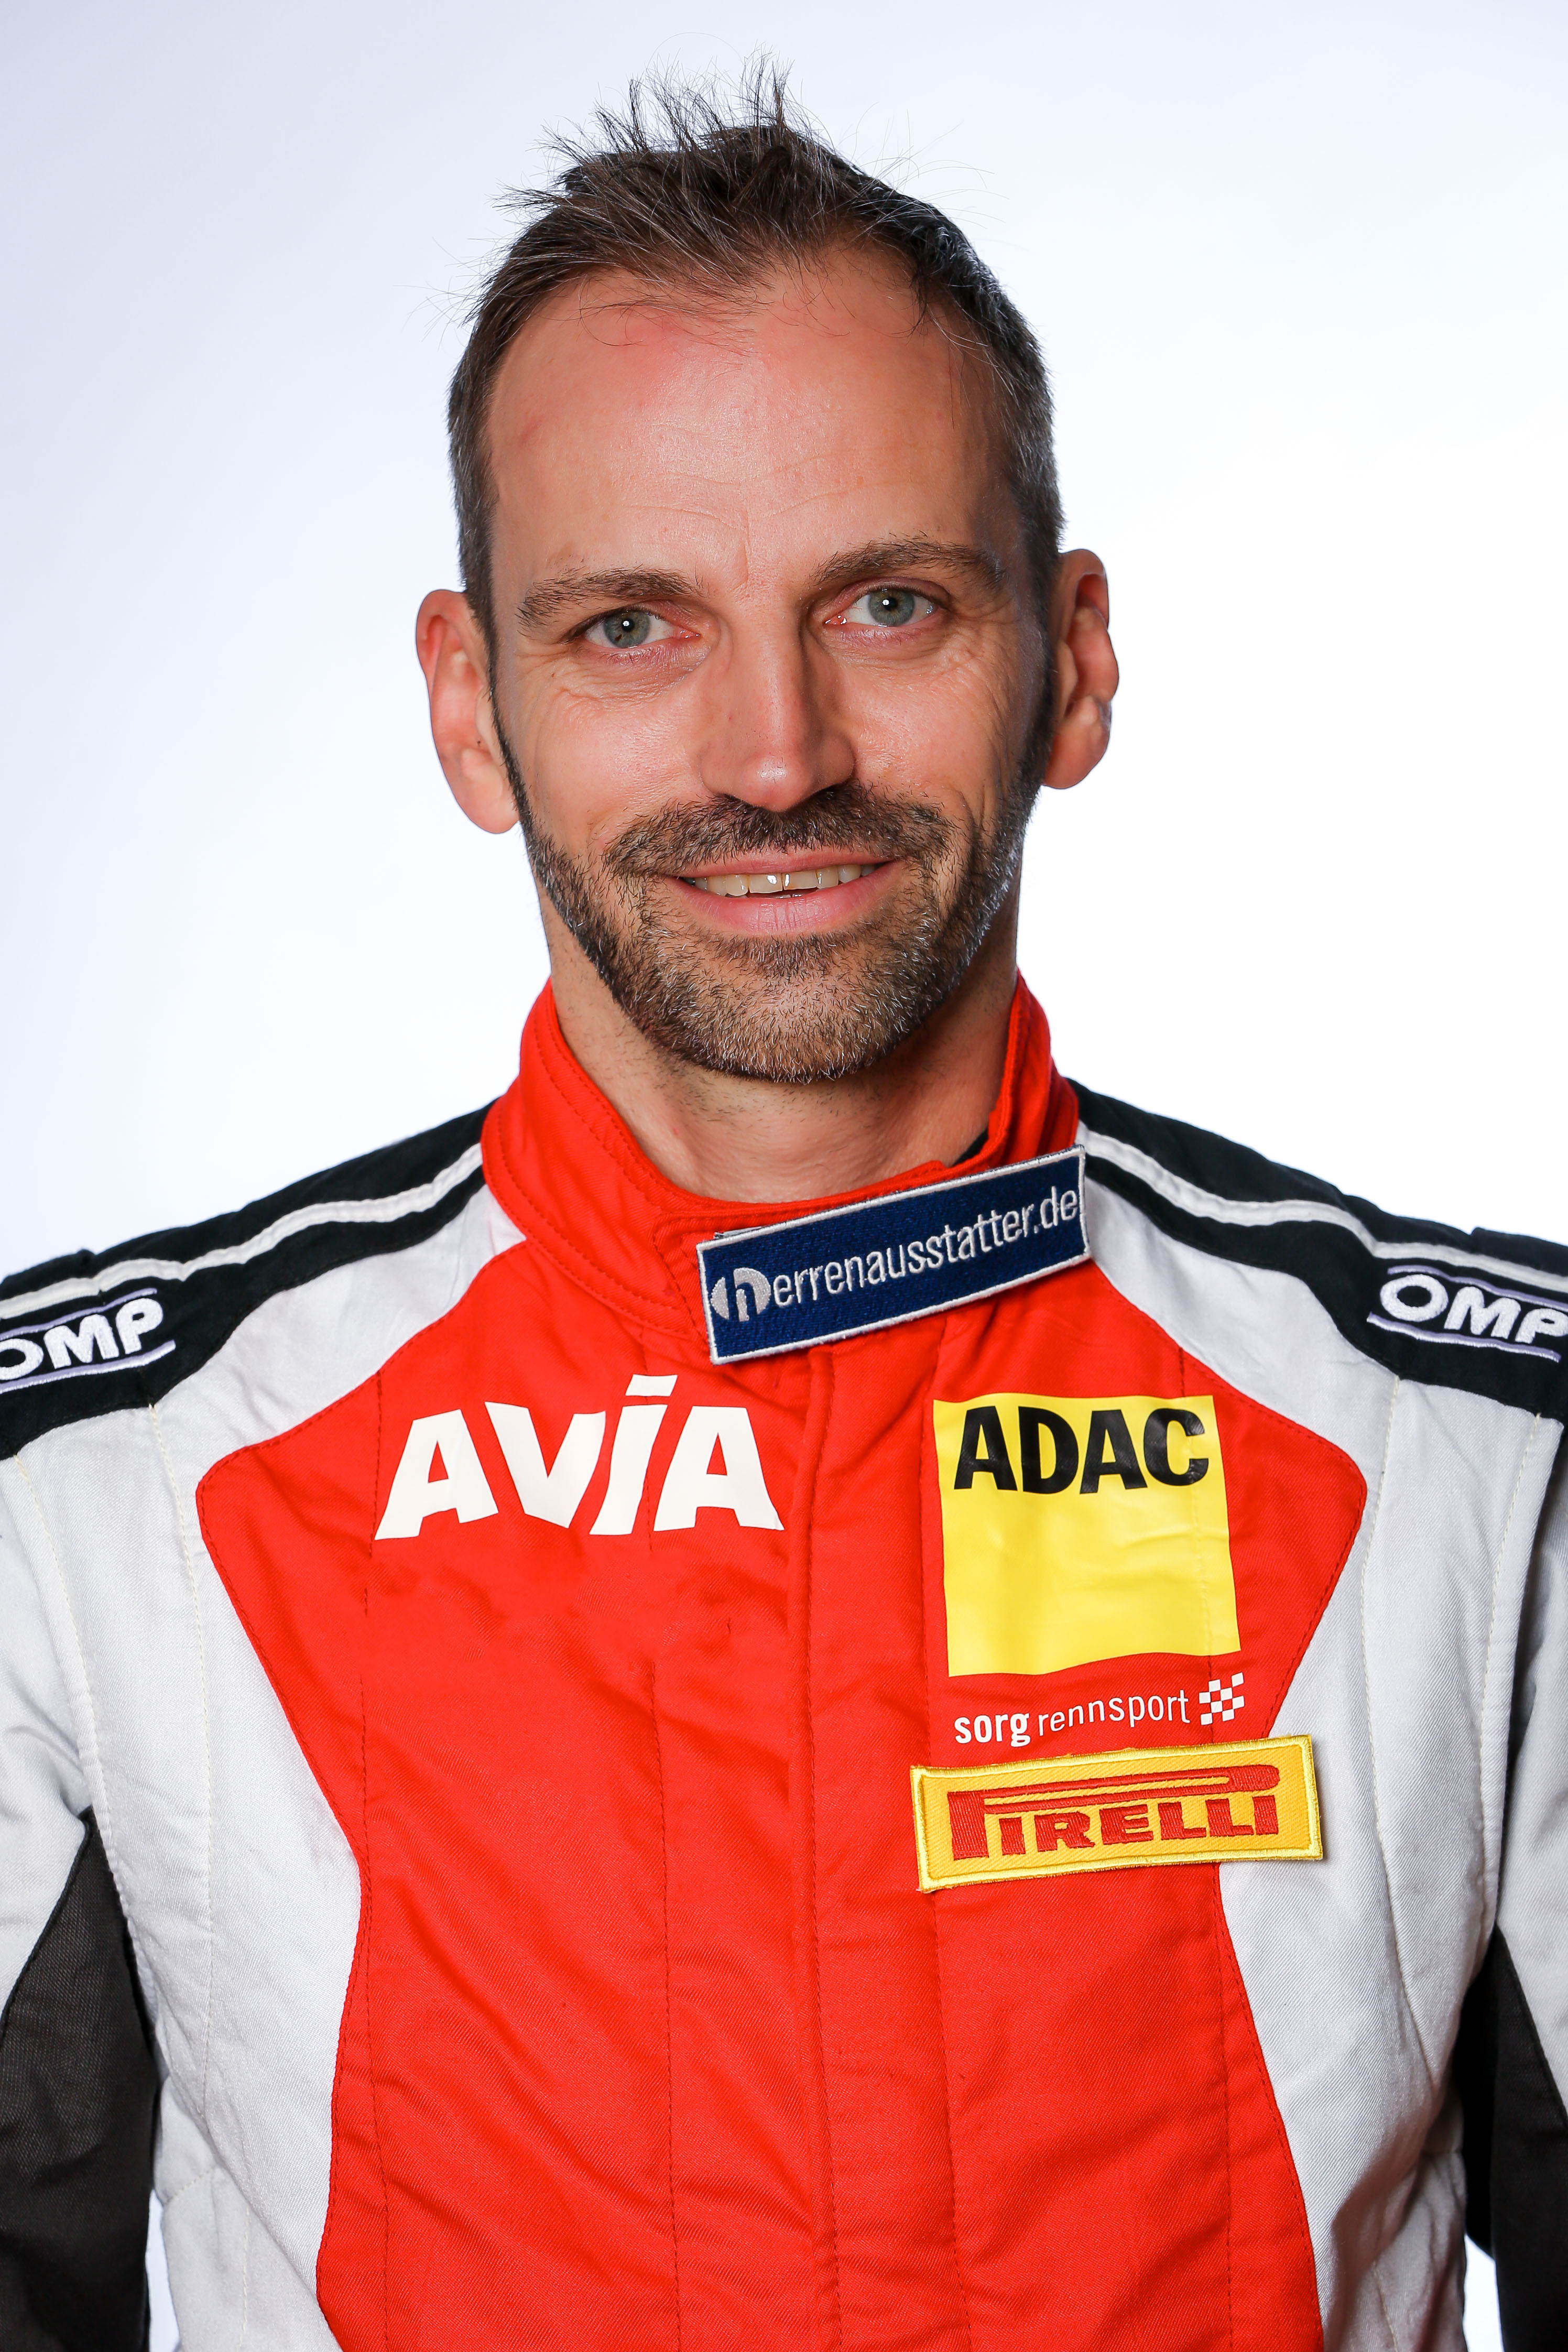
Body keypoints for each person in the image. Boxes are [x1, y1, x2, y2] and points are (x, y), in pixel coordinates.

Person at [0, 71, 1562, 2352]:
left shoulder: (1480, 1459)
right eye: (633, 626)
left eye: (889, 604)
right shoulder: (92, 1493)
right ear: (471, 708)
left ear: (1073, 659)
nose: (774, 754)